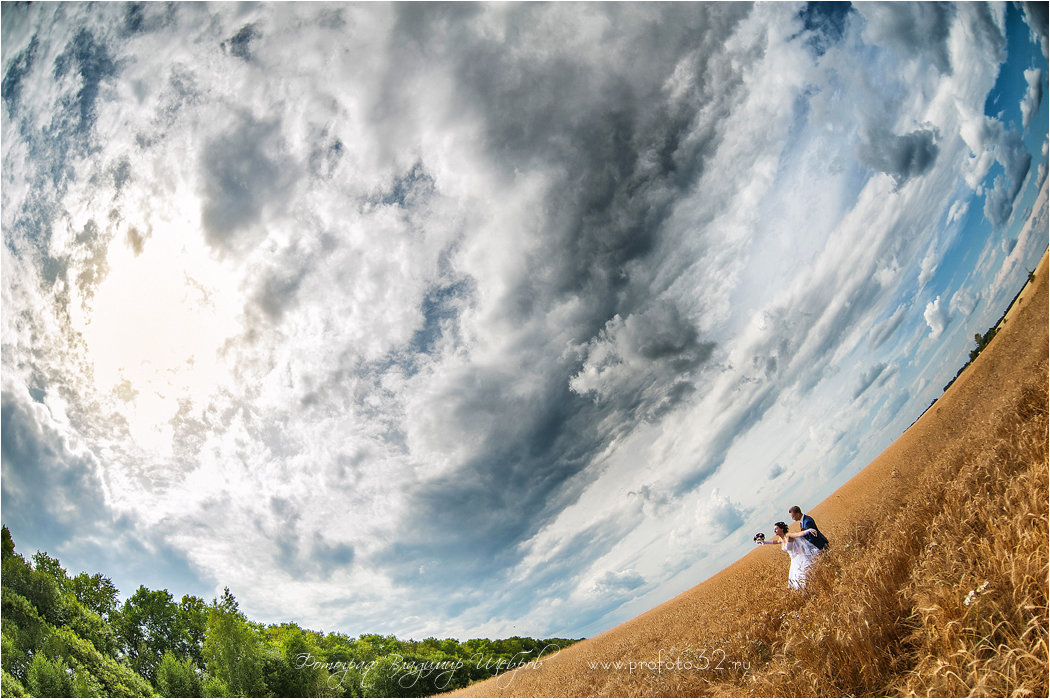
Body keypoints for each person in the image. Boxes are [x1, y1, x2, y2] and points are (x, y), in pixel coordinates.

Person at [756, 521, 820, 590]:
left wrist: (809, 530)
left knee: (805, 576)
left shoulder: (788, 535)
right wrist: (764, 542)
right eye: (774, 529)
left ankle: (815, 587)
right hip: (794, 561)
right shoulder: (781, 538)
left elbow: (798, 534)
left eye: (776, 529)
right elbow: (776, 542)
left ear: (782, 529)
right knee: (797, 580)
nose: (774, 530)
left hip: (800, 558)